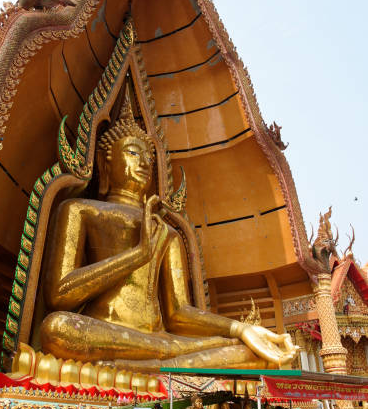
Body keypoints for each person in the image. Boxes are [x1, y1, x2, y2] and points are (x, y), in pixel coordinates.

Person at [40, 97, 299, 371]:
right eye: (132, 153)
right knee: (56, 328)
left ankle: (148, 361)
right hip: (101, 331)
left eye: (148, 158)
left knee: (250, 352)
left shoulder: (166, 232)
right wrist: (137, 256)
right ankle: (162, 360)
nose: (143, 163)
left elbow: (178, 313)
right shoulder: (80, 210)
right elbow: (58, 295)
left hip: (160, 339)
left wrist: (239, 329)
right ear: (105, 164)